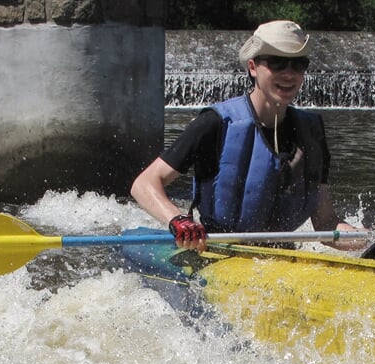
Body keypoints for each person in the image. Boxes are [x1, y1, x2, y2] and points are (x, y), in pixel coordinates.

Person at [131, 20, 362, 252]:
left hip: (279, 256)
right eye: (277, 63)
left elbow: (326, 224)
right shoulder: (214, 123)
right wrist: (178, 220)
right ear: (253, 67)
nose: (289, 74)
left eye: (298, 65)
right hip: (216, 251)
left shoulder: (311, 132)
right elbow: (144, 184)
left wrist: (369, 240)